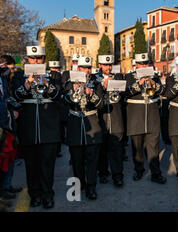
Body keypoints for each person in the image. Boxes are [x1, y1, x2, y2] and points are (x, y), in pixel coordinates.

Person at [14, 46, 62, 209]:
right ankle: (34, 195)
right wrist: (28, 82)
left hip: (49, 129)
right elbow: (15, 97)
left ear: (44, 59)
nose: (35, 61)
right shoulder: (20, 75)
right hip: (28, 128)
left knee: (47, 165)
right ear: (27, 59)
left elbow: (58, 96)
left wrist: (46, 82)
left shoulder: (54, 75)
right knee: (31, 165)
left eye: (39, 58)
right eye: (32, 58)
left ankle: (48, 195)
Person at [64, 56, 104, 200]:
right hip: (75, 124)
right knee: (77, 159)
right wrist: (73, 90)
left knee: (93, 159)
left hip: (92, 122)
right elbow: (64, 101)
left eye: (88, 68)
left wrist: (91, 93)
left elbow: (101, 105)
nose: (86, 71)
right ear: (78, 68)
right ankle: (79, 185)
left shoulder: (96, 83)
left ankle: (91, 187)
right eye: (83, 68)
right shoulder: (69, 83)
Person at [124, 53, 166, 184]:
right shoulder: (129, 77)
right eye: (141, 64)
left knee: (153, 146)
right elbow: (125, 93)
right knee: (137, 147)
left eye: (146, 63)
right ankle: (139, 170)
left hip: (152, 115)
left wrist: (154, 84)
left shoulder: (155, 76)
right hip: (136, 116)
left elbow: (162, 91)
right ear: (136, 65)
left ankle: (155, 173)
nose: (144, 66)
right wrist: (139, 83)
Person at [96, 55, 125, 187]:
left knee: (116, 150)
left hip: (116, 117)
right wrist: (102, 87)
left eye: (110, 65)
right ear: (100, 65)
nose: (108, 67)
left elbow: (124, 96)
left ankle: (117, 176)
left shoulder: (118, 77)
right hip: (101, 119)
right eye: (105, 65)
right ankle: (102, 173)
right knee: (101, 150)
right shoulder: (94, 79)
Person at [0, 55, 22, 197]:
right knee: (3, 158)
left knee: (10, 156)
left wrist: (14, 107)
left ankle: (7, 186)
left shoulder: (4, 79)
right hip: (2, 124)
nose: (12, 70)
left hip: (8, 123)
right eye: (11, 67)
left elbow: (7, 97)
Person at [48, 61, 65, 158]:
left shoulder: (56, 76)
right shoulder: (54, 75)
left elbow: (58, 90)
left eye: (56, 68)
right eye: (53, 69)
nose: (54, 71)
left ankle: (57, 149)